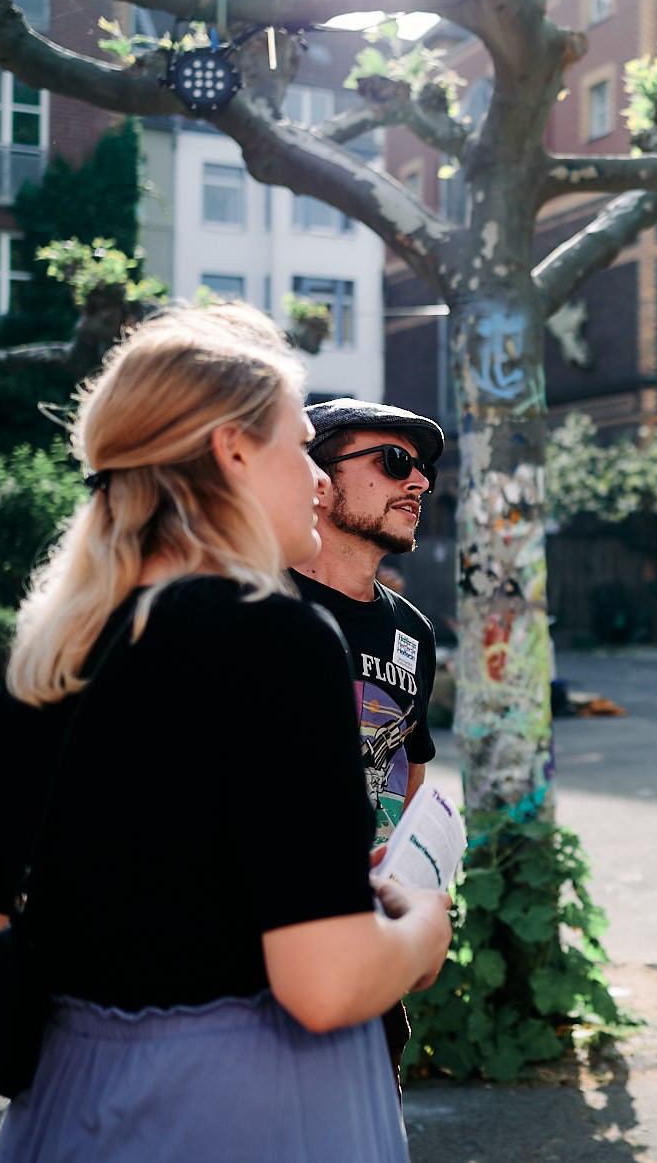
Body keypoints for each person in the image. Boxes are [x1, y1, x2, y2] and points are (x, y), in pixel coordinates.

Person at [0, 305, 452, 1160]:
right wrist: (423, 926)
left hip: (64, 1102)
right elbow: (324, 981)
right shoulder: (270, 637)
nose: (314, 477)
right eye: (299, 445)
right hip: (248, 1103)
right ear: (234, 450)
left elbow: (5, 939)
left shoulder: (46, 656)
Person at [291, 398, 446, 1081]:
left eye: (422, 469)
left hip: (375, 934)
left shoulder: (413, 633)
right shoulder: (259, 607)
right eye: (393, 462)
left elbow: (410, 757)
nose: (420, 482)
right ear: (318, 483)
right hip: (278, 939)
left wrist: (410, 877)